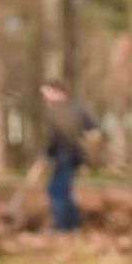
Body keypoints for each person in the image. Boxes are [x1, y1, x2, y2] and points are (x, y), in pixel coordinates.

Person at [39, 80, 96, 232]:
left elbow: (54, 138)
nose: (45, 98)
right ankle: (72, 223)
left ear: (57, 91)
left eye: (46, 93)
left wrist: (46, 155)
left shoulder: (55, 112)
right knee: (64, 190)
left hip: (64, 154)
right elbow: (93, 128)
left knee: (55, 189)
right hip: (75, 155)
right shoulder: (78, 108)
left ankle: (61, 225)